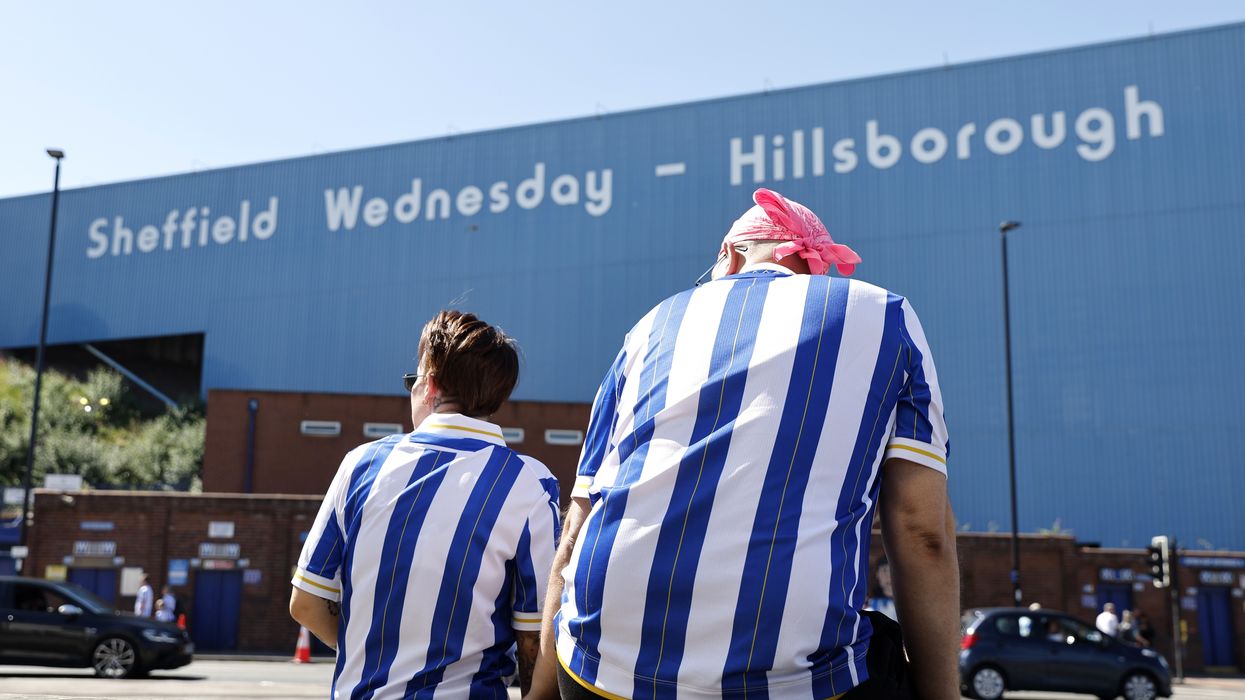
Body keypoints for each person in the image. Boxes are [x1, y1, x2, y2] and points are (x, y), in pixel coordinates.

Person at [535, 188, 959, 700]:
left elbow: (578, 522)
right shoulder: (886, 315)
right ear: (813, 267)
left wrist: (541, 690)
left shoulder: (649, 326)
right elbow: (921, 532)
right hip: (788, 673)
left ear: (731, 255)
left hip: (596, 665)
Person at [289, 310, 560, 699]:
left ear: (430, 384)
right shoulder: (528, 484)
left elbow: (307, 602)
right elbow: (536, 634)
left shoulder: (362, 465)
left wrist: (374, 653)